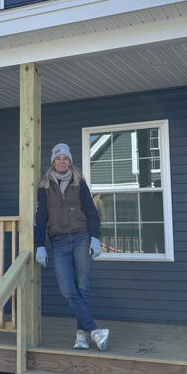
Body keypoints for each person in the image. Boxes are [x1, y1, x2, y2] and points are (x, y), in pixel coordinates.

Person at [34, 143, 110, 351]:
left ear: (70, 162)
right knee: (67, 289)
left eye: (65, 158)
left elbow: (92, 213)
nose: (61, 162)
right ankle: (95, 330)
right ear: (53, 162)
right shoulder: (44, 187)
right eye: (58, 158)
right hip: (58, 242)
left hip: (81, 237)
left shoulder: (79, 183)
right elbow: (40, 218)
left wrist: (95, 238)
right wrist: (39, 244)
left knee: (83, 286)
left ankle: (82, 335)